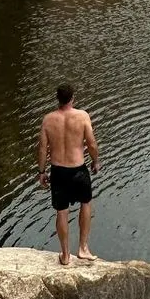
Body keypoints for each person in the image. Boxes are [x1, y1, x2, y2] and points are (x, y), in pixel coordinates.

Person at [38, 82, 100, 265]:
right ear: (73, 98)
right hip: (78, 170)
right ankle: (83, 248)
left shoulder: (48, 120)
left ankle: (65, 255)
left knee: (62, 211)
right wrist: (95, 161)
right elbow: (92, 143)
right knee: (86, 204)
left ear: (57, 99)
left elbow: (42, 148)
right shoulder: (82, 116)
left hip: (58, 172)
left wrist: (41, 172)